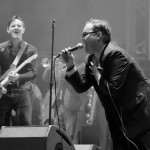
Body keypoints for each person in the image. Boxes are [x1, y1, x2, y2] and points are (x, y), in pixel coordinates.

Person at [61, 18, 150, 150]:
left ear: (98, 35)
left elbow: (113, 89)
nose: (82, 39)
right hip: (118, 118)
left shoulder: (115, 54)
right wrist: (70, 65)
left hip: (137, 115)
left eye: (85, 34)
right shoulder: (91, 58)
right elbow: (81, 86)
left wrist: (97, 75)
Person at [0, 15, 38, 128]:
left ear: (23, 29)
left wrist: (18, 77)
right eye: (13, 26)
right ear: (8, 29)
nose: (16, 27)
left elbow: (33, 73)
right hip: (3, 91)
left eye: (19, 26)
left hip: (22, 90)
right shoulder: (1, 49)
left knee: (25, 125)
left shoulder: (31, 50)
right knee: (1, 125)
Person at [42, 57, 89, 143]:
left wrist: (62, 68)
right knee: (58, 133)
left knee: (70, 135)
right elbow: (45, 78)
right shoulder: (60, 69)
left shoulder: (78, 68)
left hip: (71, 106)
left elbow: (67, 78)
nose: (63, 62)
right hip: (59, 105)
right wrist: (51, 67)